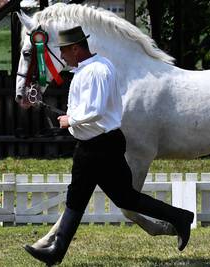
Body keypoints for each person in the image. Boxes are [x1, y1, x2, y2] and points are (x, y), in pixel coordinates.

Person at [23, 26, 194, 266]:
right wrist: (72, 119)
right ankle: (180, 217)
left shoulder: (97, 71)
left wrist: (69, 120)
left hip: (99, 145)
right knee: (117, 198)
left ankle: (56, 252)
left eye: (64, 51)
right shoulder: (91, 68)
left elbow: (97, 110)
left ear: (75, 48)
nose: (62, 56)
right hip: (96, 144)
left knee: (90, 196)